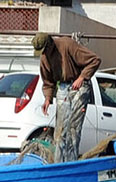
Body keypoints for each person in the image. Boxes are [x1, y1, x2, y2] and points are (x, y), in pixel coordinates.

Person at [33, 32, 101, 162]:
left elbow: (94, 60)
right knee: (59, 133)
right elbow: (48, 81)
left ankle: (71, 163)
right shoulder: (44, 58)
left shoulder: (67, 44)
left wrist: (82, 77)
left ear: (49, 45)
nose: (44, 53)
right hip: (62, 89)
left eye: (44, 50)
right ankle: (59, 165)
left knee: (73, 130)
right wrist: (47, 98)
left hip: (79, 87)